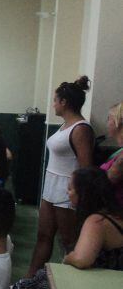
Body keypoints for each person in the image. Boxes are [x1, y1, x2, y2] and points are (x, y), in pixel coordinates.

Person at [2, 168, 123, 289]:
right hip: (105, 284)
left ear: (83, 194)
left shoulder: (96, 221)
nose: (67, 193)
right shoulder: (115, 215)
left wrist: (69, 257)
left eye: (70, 189)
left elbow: (81, 259)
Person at [27, 76, 94, 277]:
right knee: (43, 236)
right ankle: (28, 281)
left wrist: (77, 195)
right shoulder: (65, 125)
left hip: (67, 190)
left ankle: (71, 283)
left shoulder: (80, 128)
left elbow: (86, 168)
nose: (53, 104)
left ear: (64, 102)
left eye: (55, 100)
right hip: (51, 186)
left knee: (68, 241)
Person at [101, 101, 123, 206]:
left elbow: (106, 183)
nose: (107, 123)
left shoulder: (121, 158)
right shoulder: (120, 151)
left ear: (117, 122)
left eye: (109, 118)